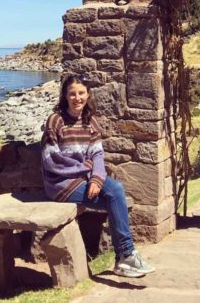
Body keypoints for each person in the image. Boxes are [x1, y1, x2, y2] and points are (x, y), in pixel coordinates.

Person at [40, 74, 155, 278]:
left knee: (115, 192)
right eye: (72, 94)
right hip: (60, 184)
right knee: (115, 196)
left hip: (83, 180)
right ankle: (125, 256)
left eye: (81, 93)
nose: (77, 98)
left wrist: (96, 178)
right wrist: (85, 169)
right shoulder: (55, 121)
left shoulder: (90, 122)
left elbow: (98, 155)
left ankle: (125, 257)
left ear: (88, 94)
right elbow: (51, 160)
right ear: (65, 97)